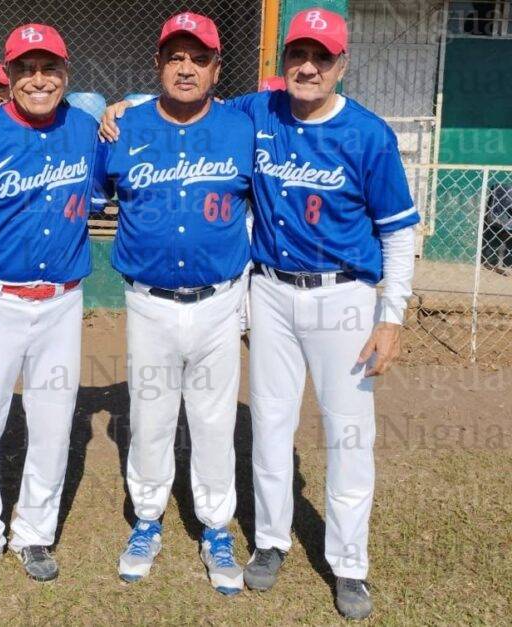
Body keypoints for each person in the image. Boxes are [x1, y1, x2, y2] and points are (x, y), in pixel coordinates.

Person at [100, 7, 419, 620]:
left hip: (345, 295)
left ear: (340, 65)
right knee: (270, 424)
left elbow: (399, 233)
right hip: (269, 291)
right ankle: (270, 542)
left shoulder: (368, 134)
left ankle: (349, 565)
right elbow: (179, 102)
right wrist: (118, 108)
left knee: (349, 433)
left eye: (321, 57)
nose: (307, 67)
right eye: (297, 56)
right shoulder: (257, 113)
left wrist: (391, 315)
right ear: (280, 68)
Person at [94, 12, 254, 595]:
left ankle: (215, 528)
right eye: (174, 56)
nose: (186, 67)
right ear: (159, 64)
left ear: (217, 67)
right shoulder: (122, 128)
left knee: (214, 420)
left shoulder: (244, 125)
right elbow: (93, 196)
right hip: (148, 301)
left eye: (199, 57)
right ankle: (146, 519)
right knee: (153, 416)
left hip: (219, 299)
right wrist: (114, 110)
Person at [0, 23, 99, 587]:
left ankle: (33, 532)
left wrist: (125, 108)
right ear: (8, 77)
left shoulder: (86, 130)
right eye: (25, 69)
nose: (37, 79)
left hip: (60, 304)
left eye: (48, 67)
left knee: (53, 426)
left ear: (65, 74)